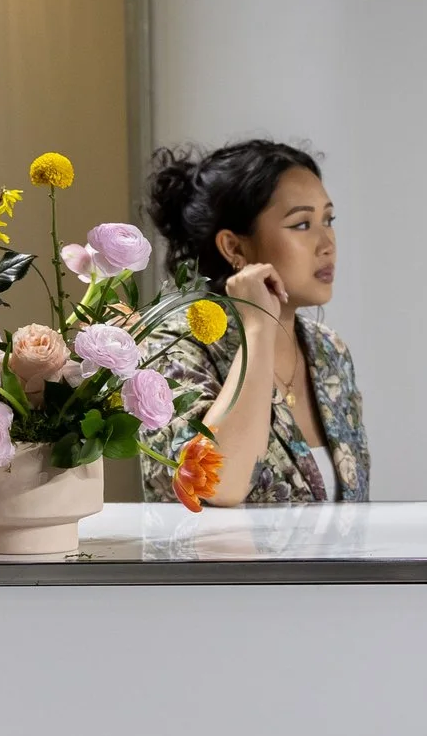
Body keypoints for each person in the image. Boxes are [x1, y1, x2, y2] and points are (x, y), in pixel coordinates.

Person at [142, 141, 366, 504]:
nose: (327, 243)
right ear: (234, 247)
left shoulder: (329, 351)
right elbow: (215, 486)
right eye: (302, 224)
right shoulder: (171, 348)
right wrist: (258, 325)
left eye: (329, 220)